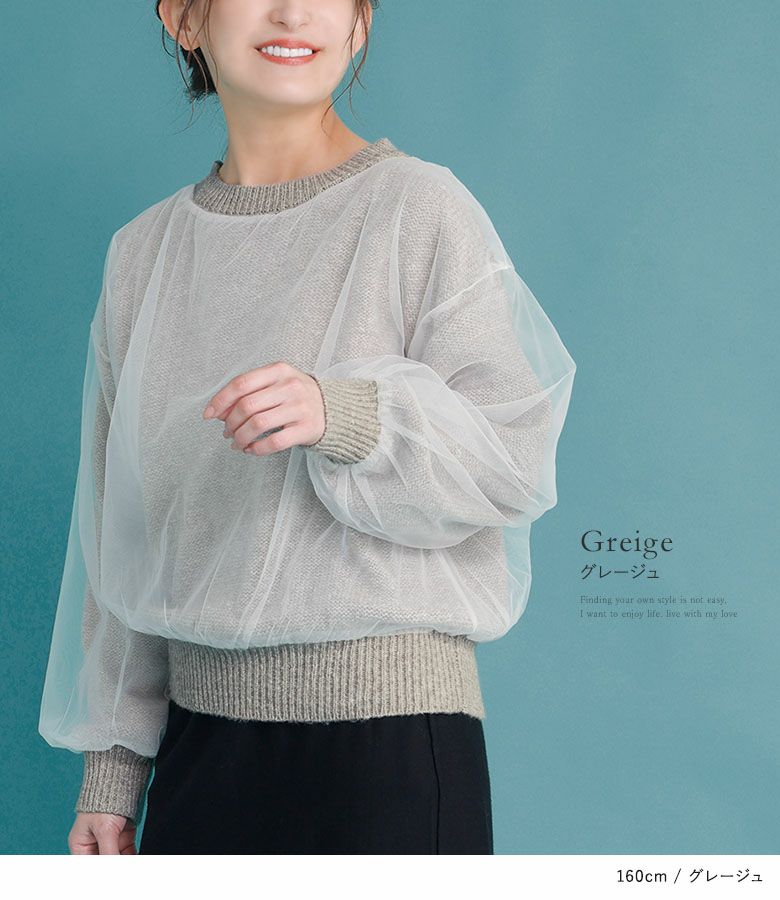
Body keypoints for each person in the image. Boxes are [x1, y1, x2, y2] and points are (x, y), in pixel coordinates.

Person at [39, 0, 576, 855]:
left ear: (361, 23)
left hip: (387, 744)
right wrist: (113, 768)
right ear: (182, 18)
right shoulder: (142, 254)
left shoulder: (419, 207)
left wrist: (348, 416)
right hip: (200, 752)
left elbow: (513, 458)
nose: (294, 12)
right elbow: (123, 534)